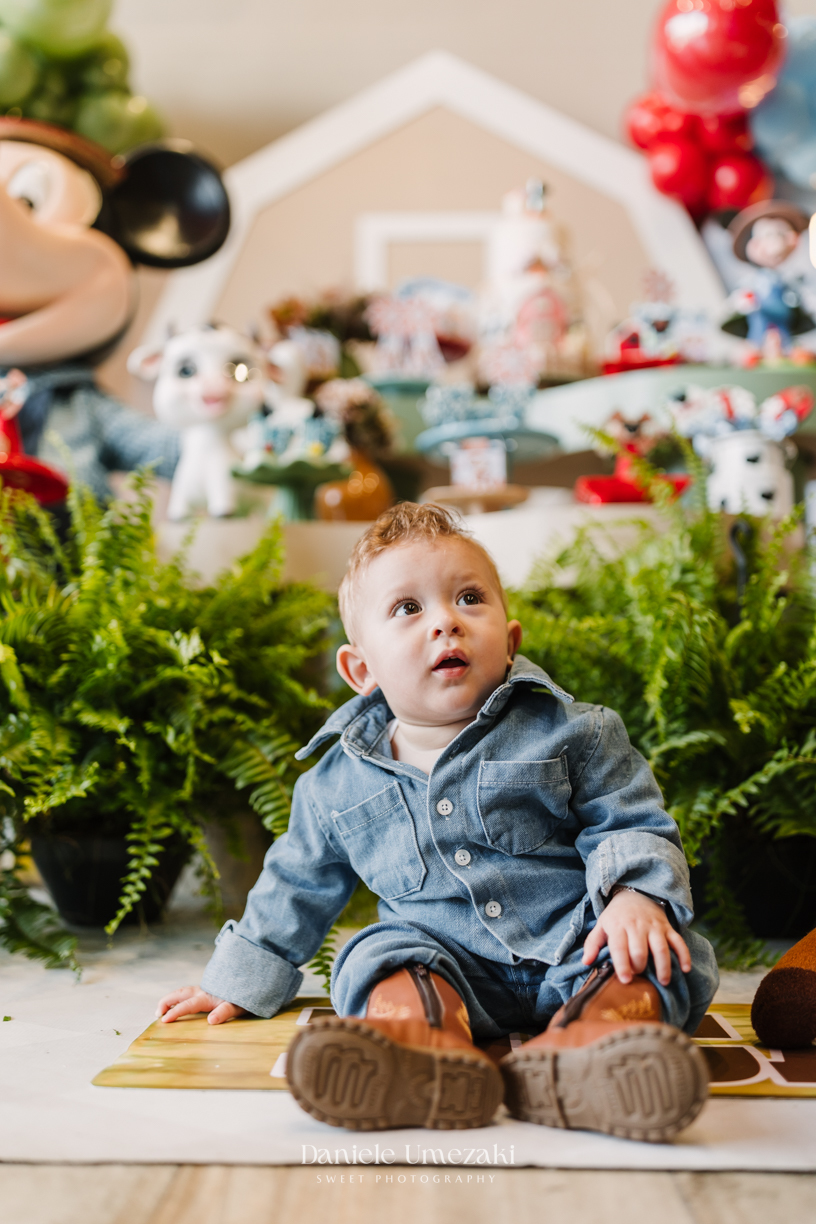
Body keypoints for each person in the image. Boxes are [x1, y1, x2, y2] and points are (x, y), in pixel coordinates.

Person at [157, 503, 717, 1140]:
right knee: (375, 956)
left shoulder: (576, 733)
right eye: (408, 608)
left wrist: (635, 896)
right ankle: (417, 1049)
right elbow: (295, 883)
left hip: (576, 944)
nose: (446, 622)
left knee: (655, 958)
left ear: (509, 641)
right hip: (438, 963)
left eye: (469, 598)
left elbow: (629, 819)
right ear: (361, 671)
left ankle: (593, 1049)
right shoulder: (333, 784)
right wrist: (238, 977)